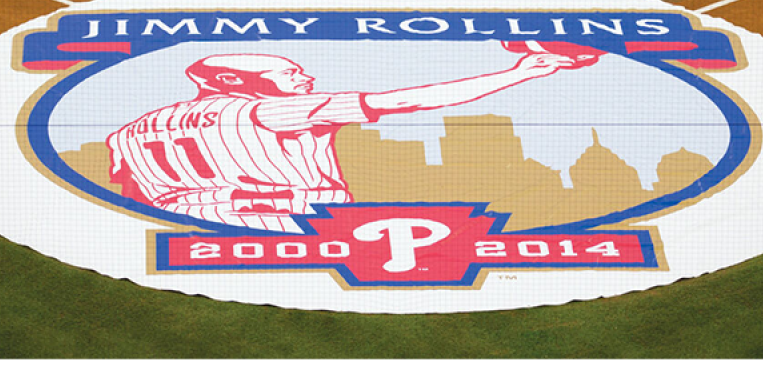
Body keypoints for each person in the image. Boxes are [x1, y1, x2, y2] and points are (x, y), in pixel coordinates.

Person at [107, 48, 588, 232]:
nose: (305, 78)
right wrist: (520, 72)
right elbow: (409, 101)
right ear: (232, 82)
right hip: (288, 219)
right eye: (289, 74)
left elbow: (127, 194)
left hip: (186, 223)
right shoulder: (273, 111)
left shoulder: (127, 131)